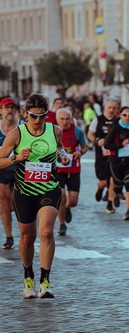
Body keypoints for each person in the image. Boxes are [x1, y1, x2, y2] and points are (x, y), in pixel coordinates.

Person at [0, 93, 70, 299]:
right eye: (33, 116)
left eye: (43, 116)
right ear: (26, 114)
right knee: (27, 237)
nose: (38, 120)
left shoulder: (54, 130)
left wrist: (64, 157)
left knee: (47, 231)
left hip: (48, 188)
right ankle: (28, 276)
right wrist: (16, 157)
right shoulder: (17, 134)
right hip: (24, 191)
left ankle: (45, 281)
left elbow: (60, 150)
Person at [104, 106, 129, 221]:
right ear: (120, 115)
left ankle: (128, 212)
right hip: (116, 161)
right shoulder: (115, 128)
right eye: (124, 115)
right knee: (117, 185)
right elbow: (107, 144)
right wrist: (120, 144)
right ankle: (116, 194)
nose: (127, 117)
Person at [55, 108, 88, 236]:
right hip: (58, 169)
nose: (64, 122)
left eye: (67, 119)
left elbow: (85, 146)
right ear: (57, 119)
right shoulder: (52, 131)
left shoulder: (77, 131)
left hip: (74, 168)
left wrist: (80, 152)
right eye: (62, 119)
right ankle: (62, 224)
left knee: (73, 201)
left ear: (71, 118)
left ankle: (67, 208)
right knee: (61, 196)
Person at [88, 98, 119, 213]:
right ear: (104, 108)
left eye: (114, 108)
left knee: (113, 180)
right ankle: (100, 189)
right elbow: (90, 134)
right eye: (109, 108)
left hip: (115, 154)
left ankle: (110, 203)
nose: (111, 110)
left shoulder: (119, 120)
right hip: (101, 154)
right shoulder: (98, 120)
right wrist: (97, 141)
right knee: (103, 181)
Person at [0, 97, 20, 249]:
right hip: (2, 169)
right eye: (6, 107)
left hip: (20, 169)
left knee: (15, 202)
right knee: (4, 201)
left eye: (12, 107)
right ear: (1, 110)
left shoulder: (22, 127)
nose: (9, 110)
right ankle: (9, 236)